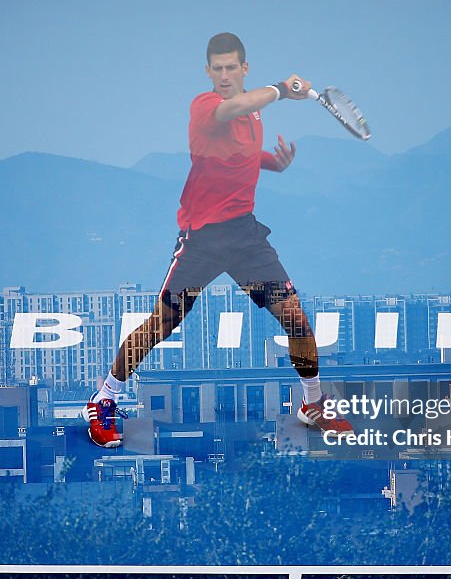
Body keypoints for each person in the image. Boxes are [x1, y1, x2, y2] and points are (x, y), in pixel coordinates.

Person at [84, 32, 353, 448]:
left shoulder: (254, 115)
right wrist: (283, 88)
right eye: (218, 68)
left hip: (246, 237)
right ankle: (104, 398)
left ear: (245, 68)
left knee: (295, 317)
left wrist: (272, 164)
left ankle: (312, 404)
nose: (225, 75)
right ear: (209, 72)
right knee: (162, 323)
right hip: (201, 241)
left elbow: (234, 157)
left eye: (233, 67)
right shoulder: (208, 106)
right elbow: (236, 107)